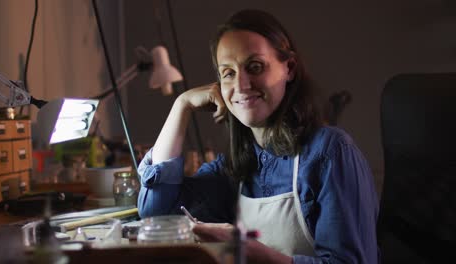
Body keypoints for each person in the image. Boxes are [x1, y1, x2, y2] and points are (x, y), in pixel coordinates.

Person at [137, 9, 379, 264]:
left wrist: (256, 254)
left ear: (290, 68)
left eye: (255, 67)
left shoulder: (330, 153)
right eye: (228, 73)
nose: (241, 85)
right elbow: (157, 213)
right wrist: (182, 105)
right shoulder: (236, 167)